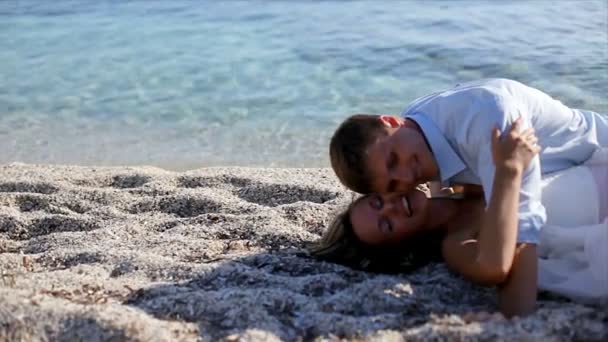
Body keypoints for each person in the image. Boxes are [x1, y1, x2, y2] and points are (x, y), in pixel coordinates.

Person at [313, 123, 608, 317]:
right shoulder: (455, 243)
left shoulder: (451, 179)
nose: (391, 209)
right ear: (400, 243)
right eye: (387, 225)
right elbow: (492, 269)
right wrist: (508, 170)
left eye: (378, 202)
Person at [329, 78, 608, 248]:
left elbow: (524, 229)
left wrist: (515, 315)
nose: (407, 176)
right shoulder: (414, 127)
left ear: (390, 121)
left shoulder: (488, 126)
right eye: (393, 185)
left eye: (393, 161)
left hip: (597, 153)